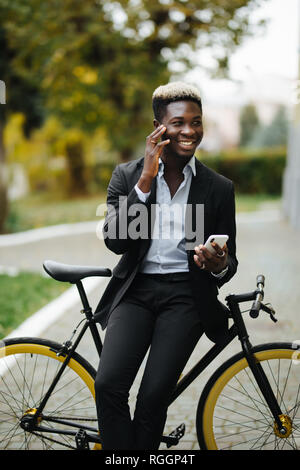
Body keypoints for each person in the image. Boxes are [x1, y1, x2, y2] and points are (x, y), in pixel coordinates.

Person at [93, 82, 238, 450]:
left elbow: (229, 261)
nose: (189, 131)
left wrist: (218, 263)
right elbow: (117, 241)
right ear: (158, 127)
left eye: (196, 122)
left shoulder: (216, 188)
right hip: (136, 292)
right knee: (109, 385)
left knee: (153, 397)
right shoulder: (128, 176)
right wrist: (145, 180)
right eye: (178, 123)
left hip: (185, 296)